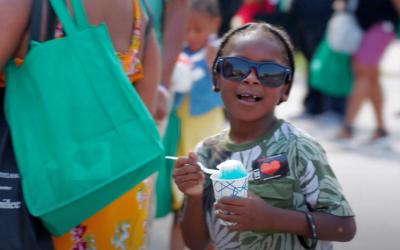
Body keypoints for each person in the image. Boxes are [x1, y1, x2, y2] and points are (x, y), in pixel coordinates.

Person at [172, 22, 356, 250]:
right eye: (236, 68)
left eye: (269, 72)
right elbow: (196, 243)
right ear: (216, 79)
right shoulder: (206, 152)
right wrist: (193, 195)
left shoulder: (298, 147)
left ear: (286, 90)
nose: (251, 78)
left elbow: (344, 227)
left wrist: (271, 218)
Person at [0, 0, 161, 249]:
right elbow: (144, 114)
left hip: (46, 195)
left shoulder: (22, 4)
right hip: (116, 190)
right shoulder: (141, 11)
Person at [336, 0, 399, 145]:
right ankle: (381, 128)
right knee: (371, 76)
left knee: (363, 71)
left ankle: (348, 127)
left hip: (382, 25)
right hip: (367, 25)